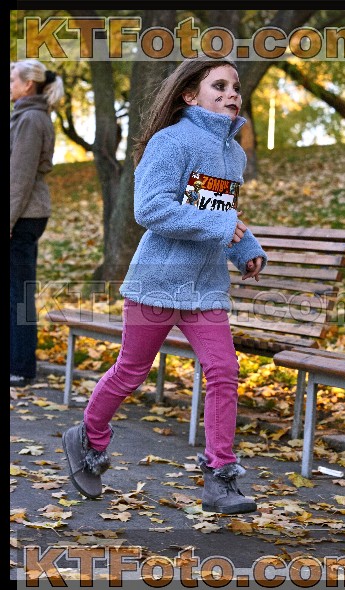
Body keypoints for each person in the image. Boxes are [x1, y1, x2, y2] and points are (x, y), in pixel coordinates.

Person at [62, 54, 268, 514]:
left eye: (235, 87)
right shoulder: (170, 141)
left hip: (205, 288)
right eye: (219, 86)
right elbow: (151, 209)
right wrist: (224, 228)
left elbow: (218, 212)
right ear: (190, 95)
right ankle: (89, 437)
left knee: (224, 372)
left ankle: (220, 477)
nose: (232, 95)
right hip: (157, 282)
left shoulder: (233, 153)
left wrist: (245, 249)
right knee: (131, 371)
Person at [10, 60, 64, 387]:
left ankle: (20, 367)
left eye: (12, 79)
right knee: (17, 291)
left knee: (19, 293)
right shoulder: (27, 115)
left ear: (28, 84)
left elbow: (20, 177)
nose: (9, 84)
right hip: (24, 213)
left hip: (24, 215)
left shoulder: (31, 119)